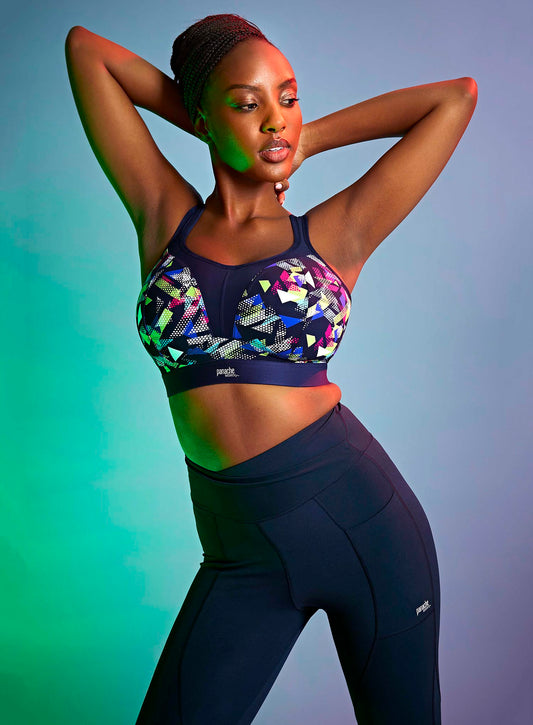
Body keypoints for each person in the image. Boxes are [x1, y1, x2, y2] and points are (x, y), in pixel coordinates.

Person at [65, 13, 477, 724]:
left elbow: (454, 98)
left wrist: (301, 139)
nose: (275, 119)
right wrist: (210, 124)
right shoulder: (163, 214)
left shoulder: (335, 231)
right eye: (247, 103)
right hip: (240, 550)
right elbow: (86, 51)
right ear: (202, 115)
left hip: (365, 526)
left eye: (287, 99)